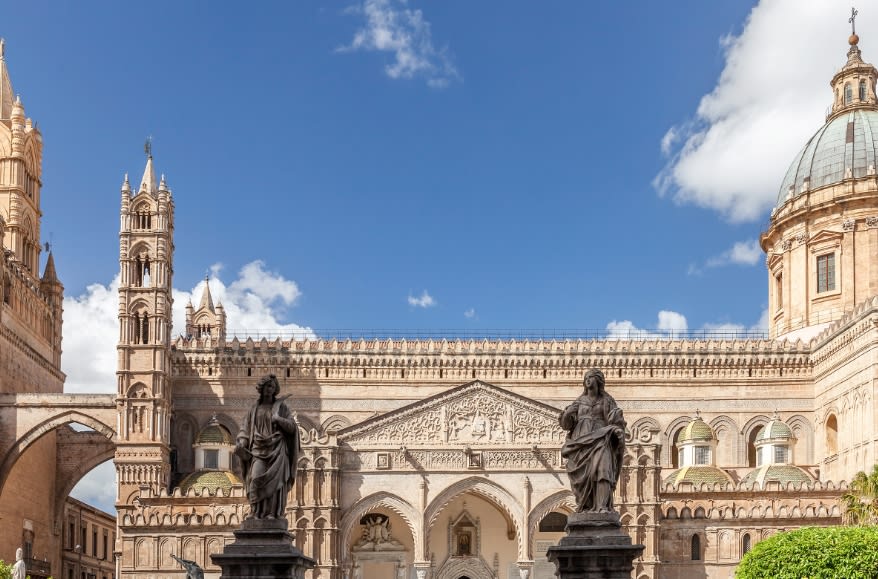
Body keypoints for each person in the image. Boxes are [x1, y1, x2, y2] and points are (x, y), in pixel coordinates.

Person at [559, 368, 626, 513]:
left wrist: (617, 429)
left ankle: (602, 507)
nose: (588, 380)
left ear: (598, 380)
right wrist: (567, 414)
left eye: (591, 377)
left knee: (603, 469)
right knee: (583, 477)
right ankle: (586, 506)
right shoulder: (579, 402)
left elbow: (616, 420)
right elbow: (566, 425)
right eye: (586, 378)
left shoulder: (607, 401)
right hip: (580, 443)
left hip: (602, 439)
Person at [235, 373, 300, 520]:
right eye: (266, 386)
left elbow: (292, 428)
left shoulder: (282, 408)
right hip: (258, 449)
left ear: (275, 389)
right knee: (255, 479)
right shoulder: (254, 409)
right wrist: (242, 443)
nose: (269, 389)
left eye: (272, 386)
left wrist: (278, 419)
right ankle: (255, 512)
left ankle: (272, 514)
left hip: (277, 450)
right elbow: (245, 429)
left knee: (275, 485)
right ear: (261, 388)